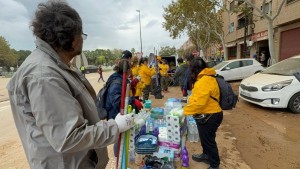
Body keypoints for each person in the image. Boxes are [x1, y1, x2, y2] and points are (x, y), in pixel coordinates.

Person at [6, 2, 134, 169]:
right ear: (70, 38)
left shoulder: (56, 66)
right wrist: (115, 127)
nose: (83, 40)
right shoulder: (44, 76)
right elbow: (68, 136)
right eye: (82, 35)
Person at [183, 57, 223, 169]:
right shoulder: (205, 78)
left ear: (195, 70)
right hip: (208, 114)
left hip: (210, 115)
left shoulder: (204, 80)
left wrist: (184, 111)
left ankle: (215, 165)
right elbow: (198, 97)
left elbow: (199, 104)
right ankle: (206, 155)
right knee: (205, 138)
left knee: (209, 141)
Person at [105, 59, 142, 157]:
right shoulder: (117, 82)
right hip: (115, 115)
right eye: (130, 69)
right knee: (119, 137)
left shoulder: (121, 78)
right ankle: (118, 156)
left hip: (119, 113)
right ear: (128, 70)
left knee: (122, 137)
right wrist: (133, 101)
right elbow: (117, 101)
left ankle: (121, 155)